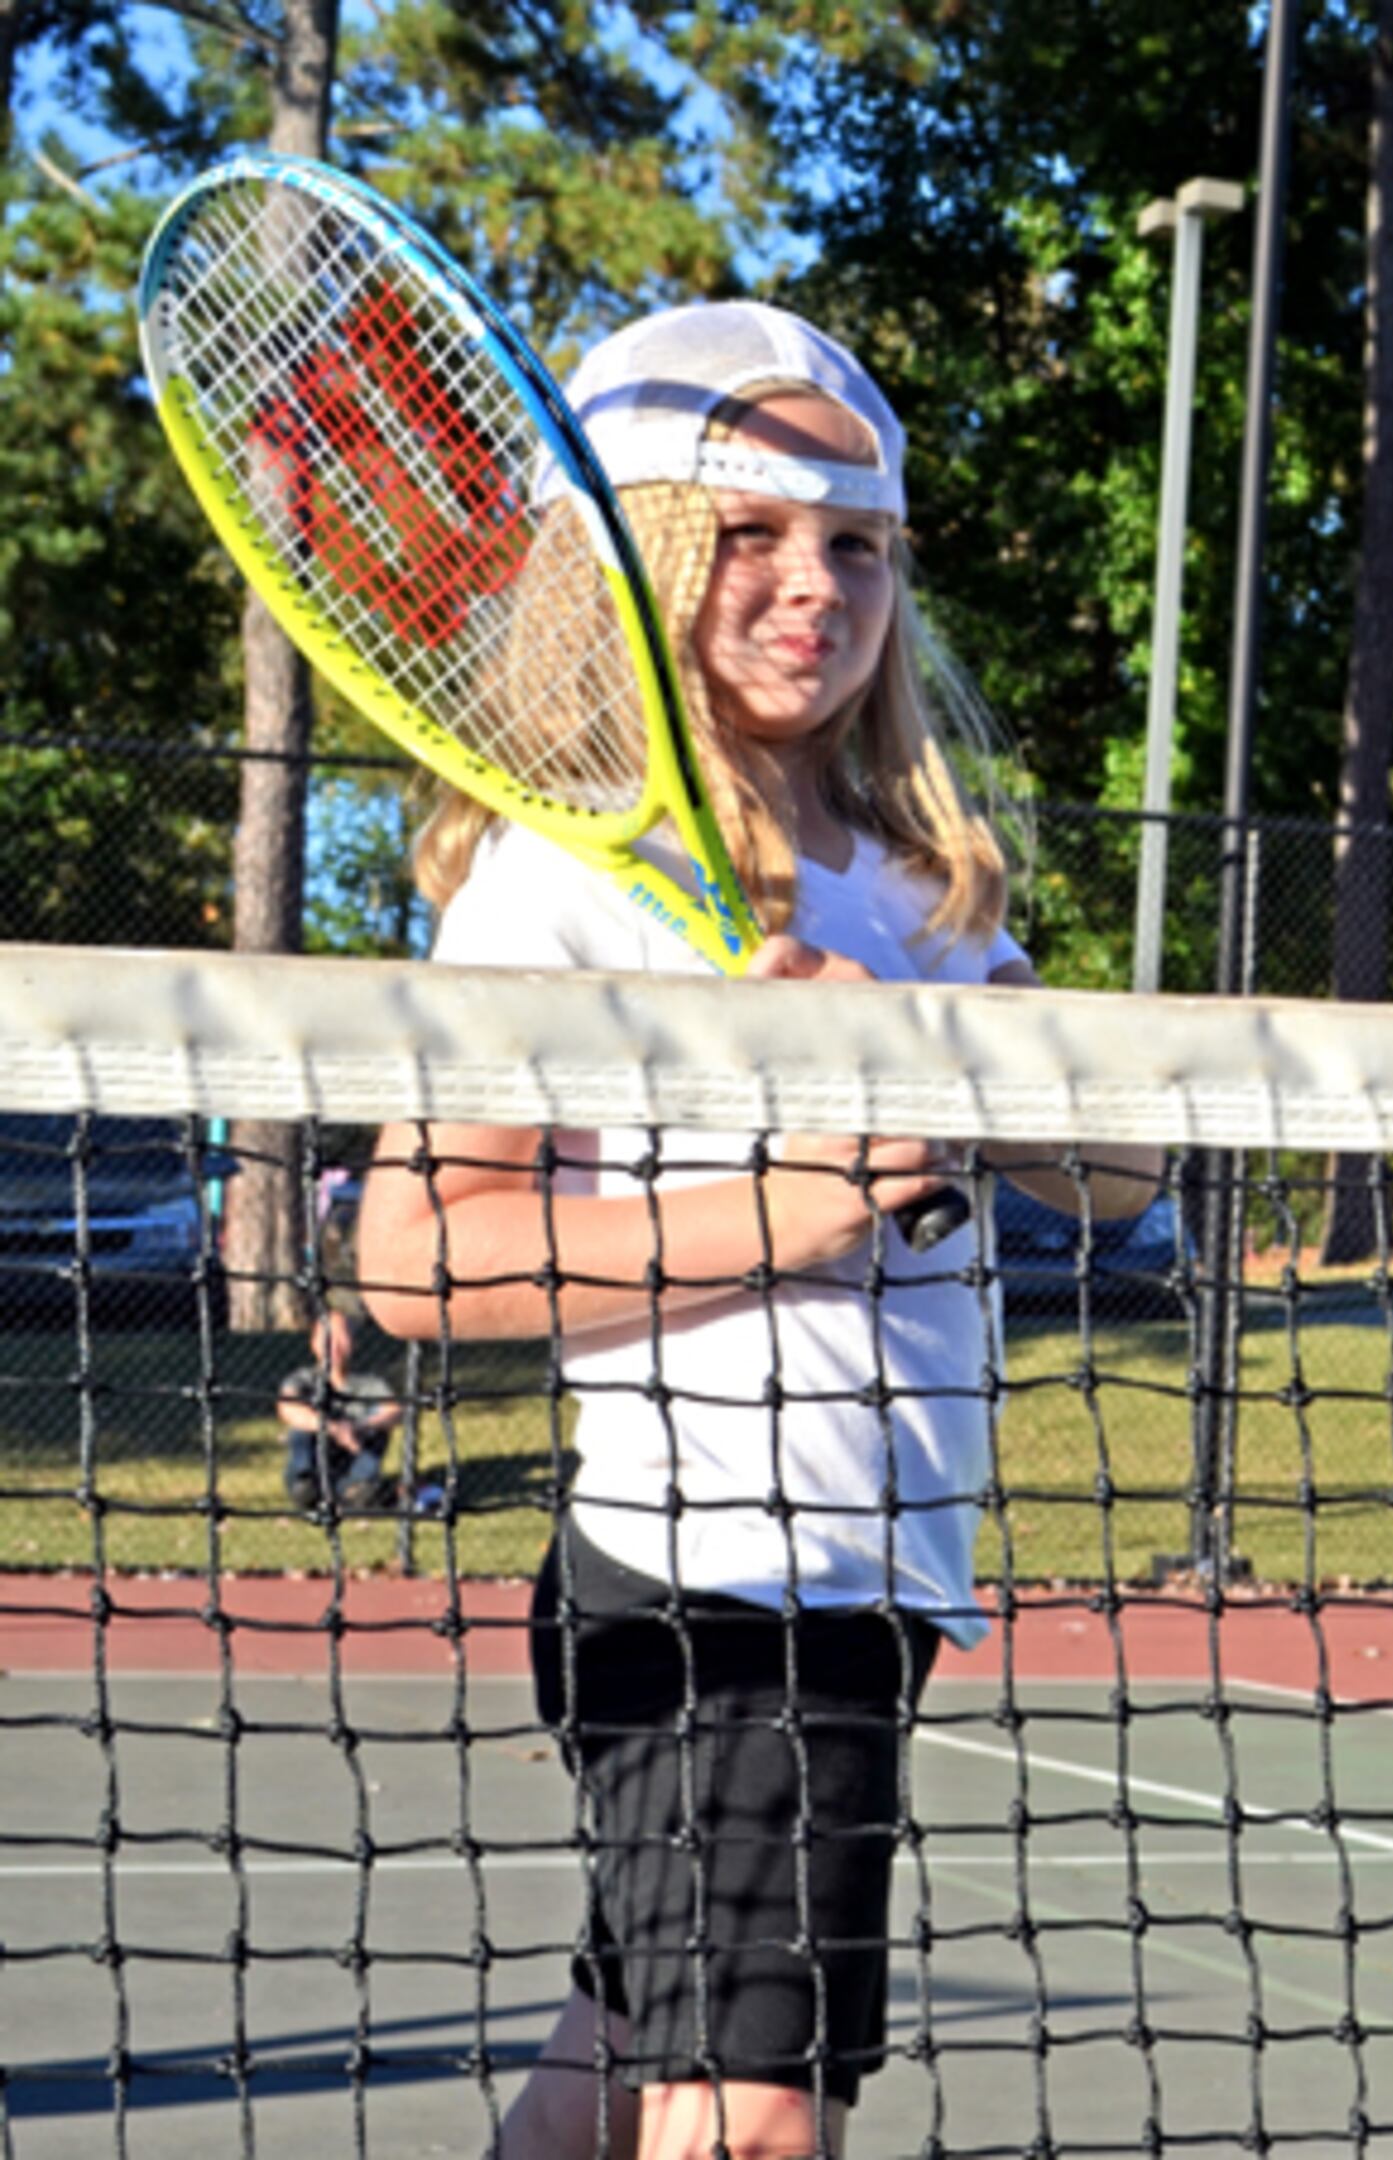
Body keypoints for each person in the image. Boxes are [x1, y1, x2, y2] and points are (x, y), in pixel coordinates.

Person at [351, 301, 1162, 2160]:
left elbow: (1119, 1181)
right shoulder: (562, 884)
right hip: (714, 1591)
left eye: (858, 542)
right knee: (745, 2121)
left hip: (867, 1584)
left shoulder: (915, 883)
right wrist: (797, 1198)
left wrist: (940, 1062)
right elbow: (416, 1248)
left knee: (615, 2063)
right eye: (751, 535)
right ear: (631, 566)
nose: (817, 583)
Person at [276, 1303, 405, 1518]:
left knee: (377, 1424)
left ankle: (357, 1488)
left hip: (355, 1454)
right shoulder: (303, 1380)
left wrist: (358, 1427)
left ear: (353, 1343)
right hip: (316, 1460)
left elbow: (395, 1410)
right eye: (326, 1338)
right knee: (302, 1425)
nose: (333, 1346)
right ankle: (306, 1484)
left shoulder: (368, 1384)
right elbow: (287, 1407)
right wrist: (332, 1428)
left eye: (341, 1338)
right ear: (314, 1343)